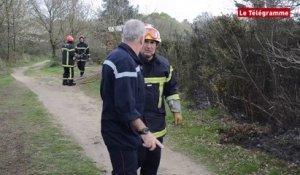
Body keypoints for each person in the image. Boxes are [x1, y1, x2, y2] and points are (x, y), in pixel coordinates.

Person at [100, 19, 164, 175]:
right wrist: (145, 132)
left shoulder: (116, 56)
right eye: (146, 40)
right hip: (120, 132)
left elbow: (105, 93)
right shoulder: (125, 62)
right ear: (142, 39)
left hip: (122, 130)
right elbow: (126, 107)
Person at [138, 24, 183, 175]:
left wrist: (176, 111)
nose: (149, 46)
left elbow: (171, 90)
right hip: (134, 125)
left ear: (157, 45)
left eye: (153, 43)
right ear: (139, 42)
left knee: (151, 168)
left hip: (157, 126)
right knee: (129, 167)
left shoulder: (164, 66)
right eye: (146, 41)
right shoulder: (130, 63)